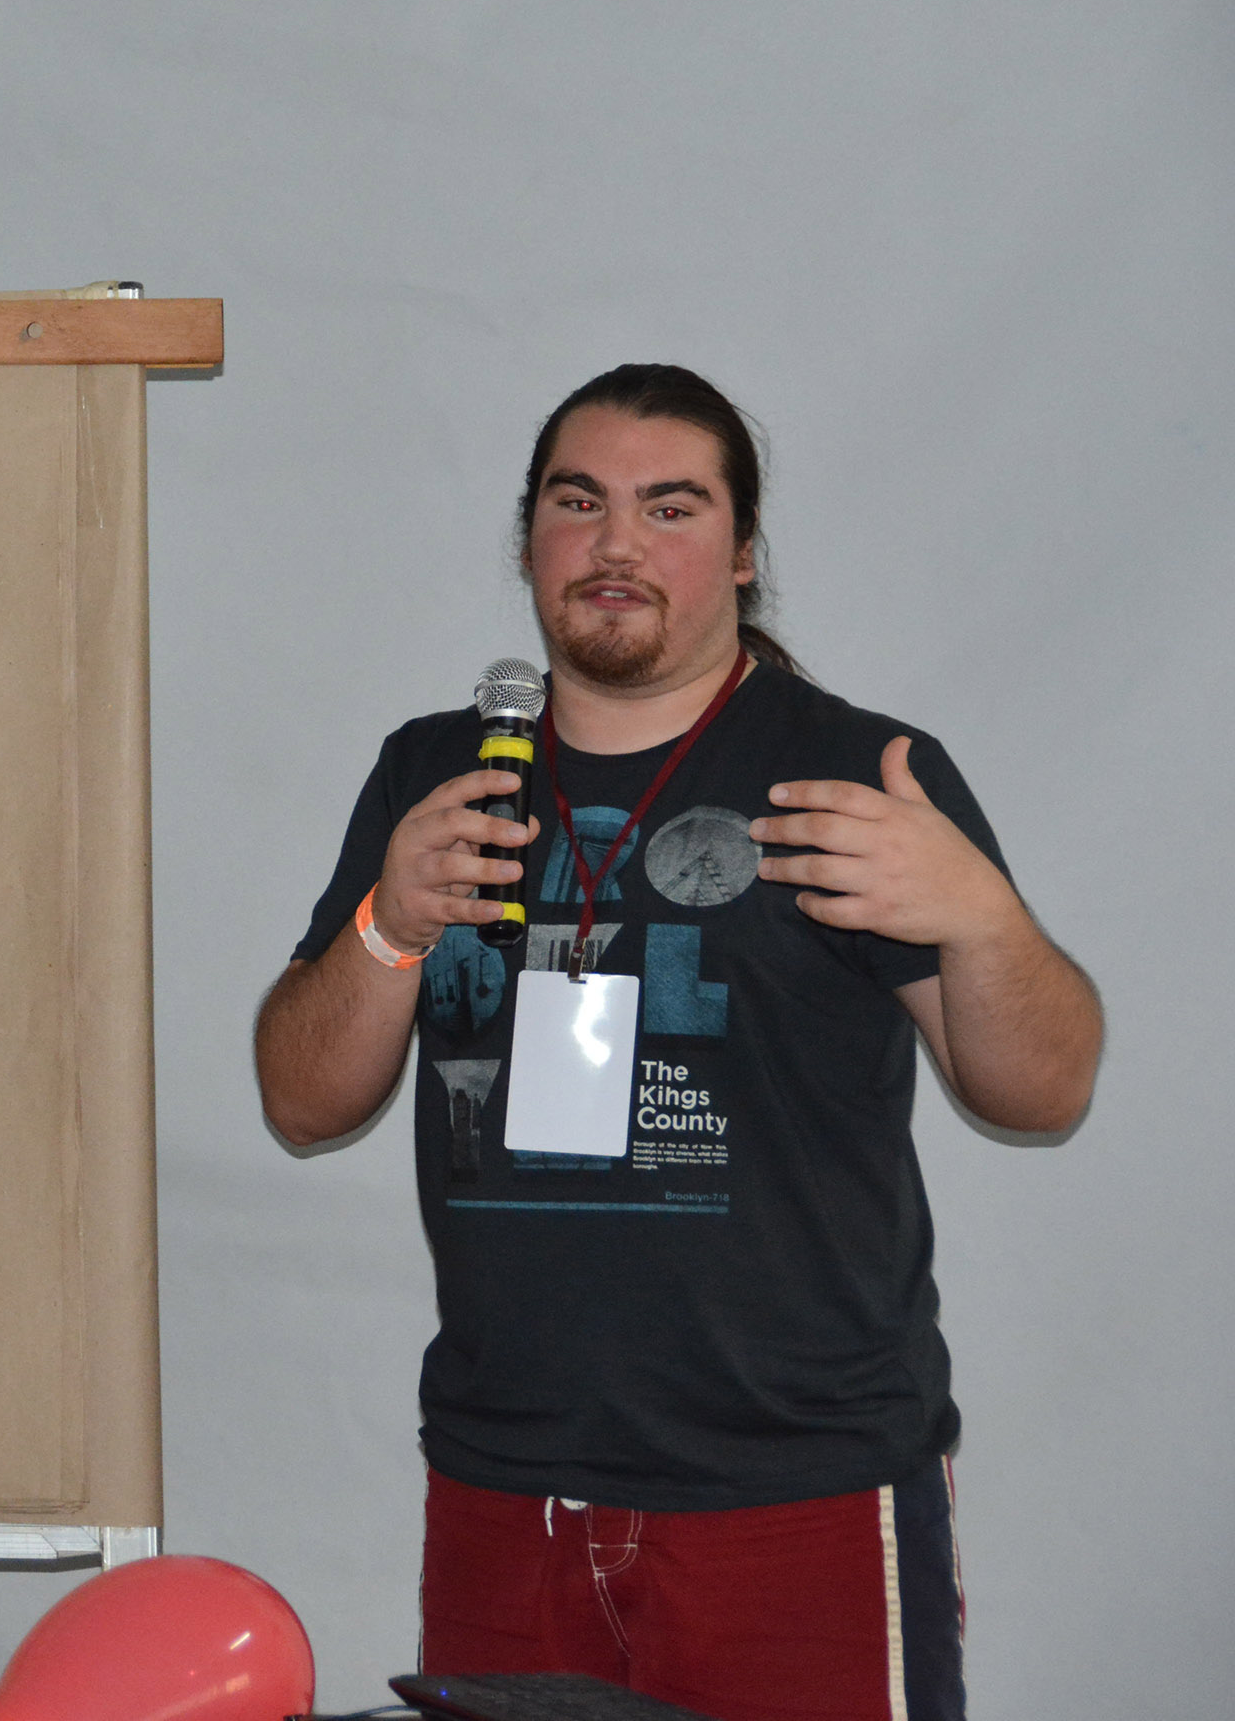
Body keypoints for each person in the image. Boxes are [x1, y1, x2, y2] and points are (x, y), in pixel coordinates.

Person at [254, 364, 1099, 1721]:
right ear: (529, 537)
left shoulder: (856, 777)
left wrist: (984, 921)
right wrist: (385, 925)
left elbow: (1042, 1090)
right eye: (578, 502)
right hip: (506, 1491)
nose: (616, 545)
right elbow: (303, 1101)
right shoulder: (435, 774)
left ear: (744, 551)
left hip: (800, 1488)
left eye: (670, 507)